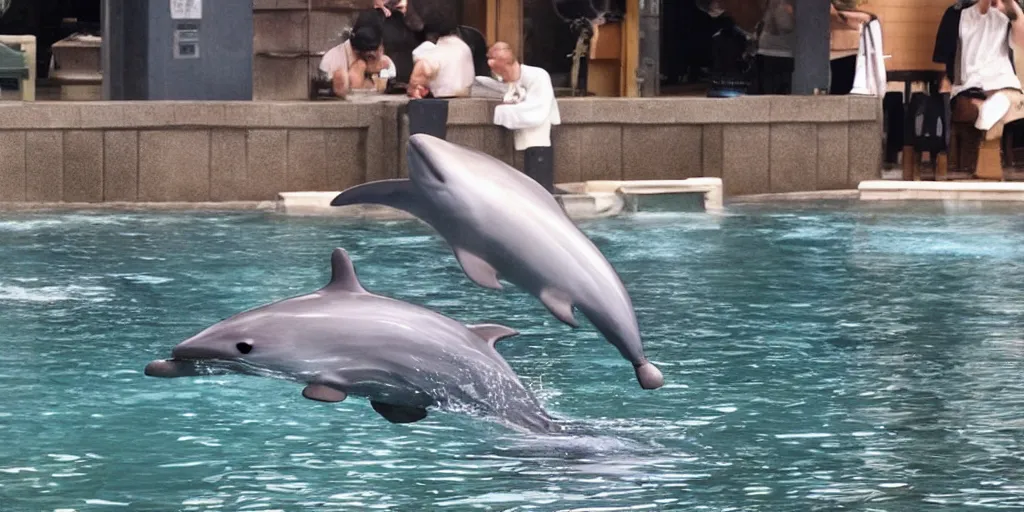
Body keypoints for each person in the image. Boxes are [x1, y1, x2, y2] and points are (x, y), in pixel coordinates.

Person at [477, 42, 562, 192]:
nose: (500, 77)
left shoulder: (538, 76)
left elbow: (537, 108)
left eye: (501, 71)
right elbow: (487, 85)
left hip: (540, 137)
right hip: (525, 139)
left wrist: (503, 112)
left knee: (541, 184)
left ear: (508, 64)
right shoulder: (511, 82)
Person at [934, 0, 1024, 138]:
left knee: (1010, 99)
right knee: (984, 108)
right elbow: (943, 60)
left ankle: (991, 110)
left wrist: (1011, 5)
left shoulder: (1009, 10)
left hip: (1005, 84)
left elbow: (1021, 40)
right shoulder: (955, 13)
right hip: (970, 86)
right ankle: (991, 109)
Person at [319, 10, 396, 99]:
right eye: (366, 53)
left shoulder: (386, 64)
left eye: (375, 49)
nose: (372, 54)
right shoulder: (331, 60)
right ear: (354, 48)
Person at [406, 10, 475, 99]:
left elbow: (424, 67)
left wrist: (412, 87)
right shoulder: (465, 48)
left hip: (441, 100)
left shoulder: (437, 51)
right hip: (465, 97)